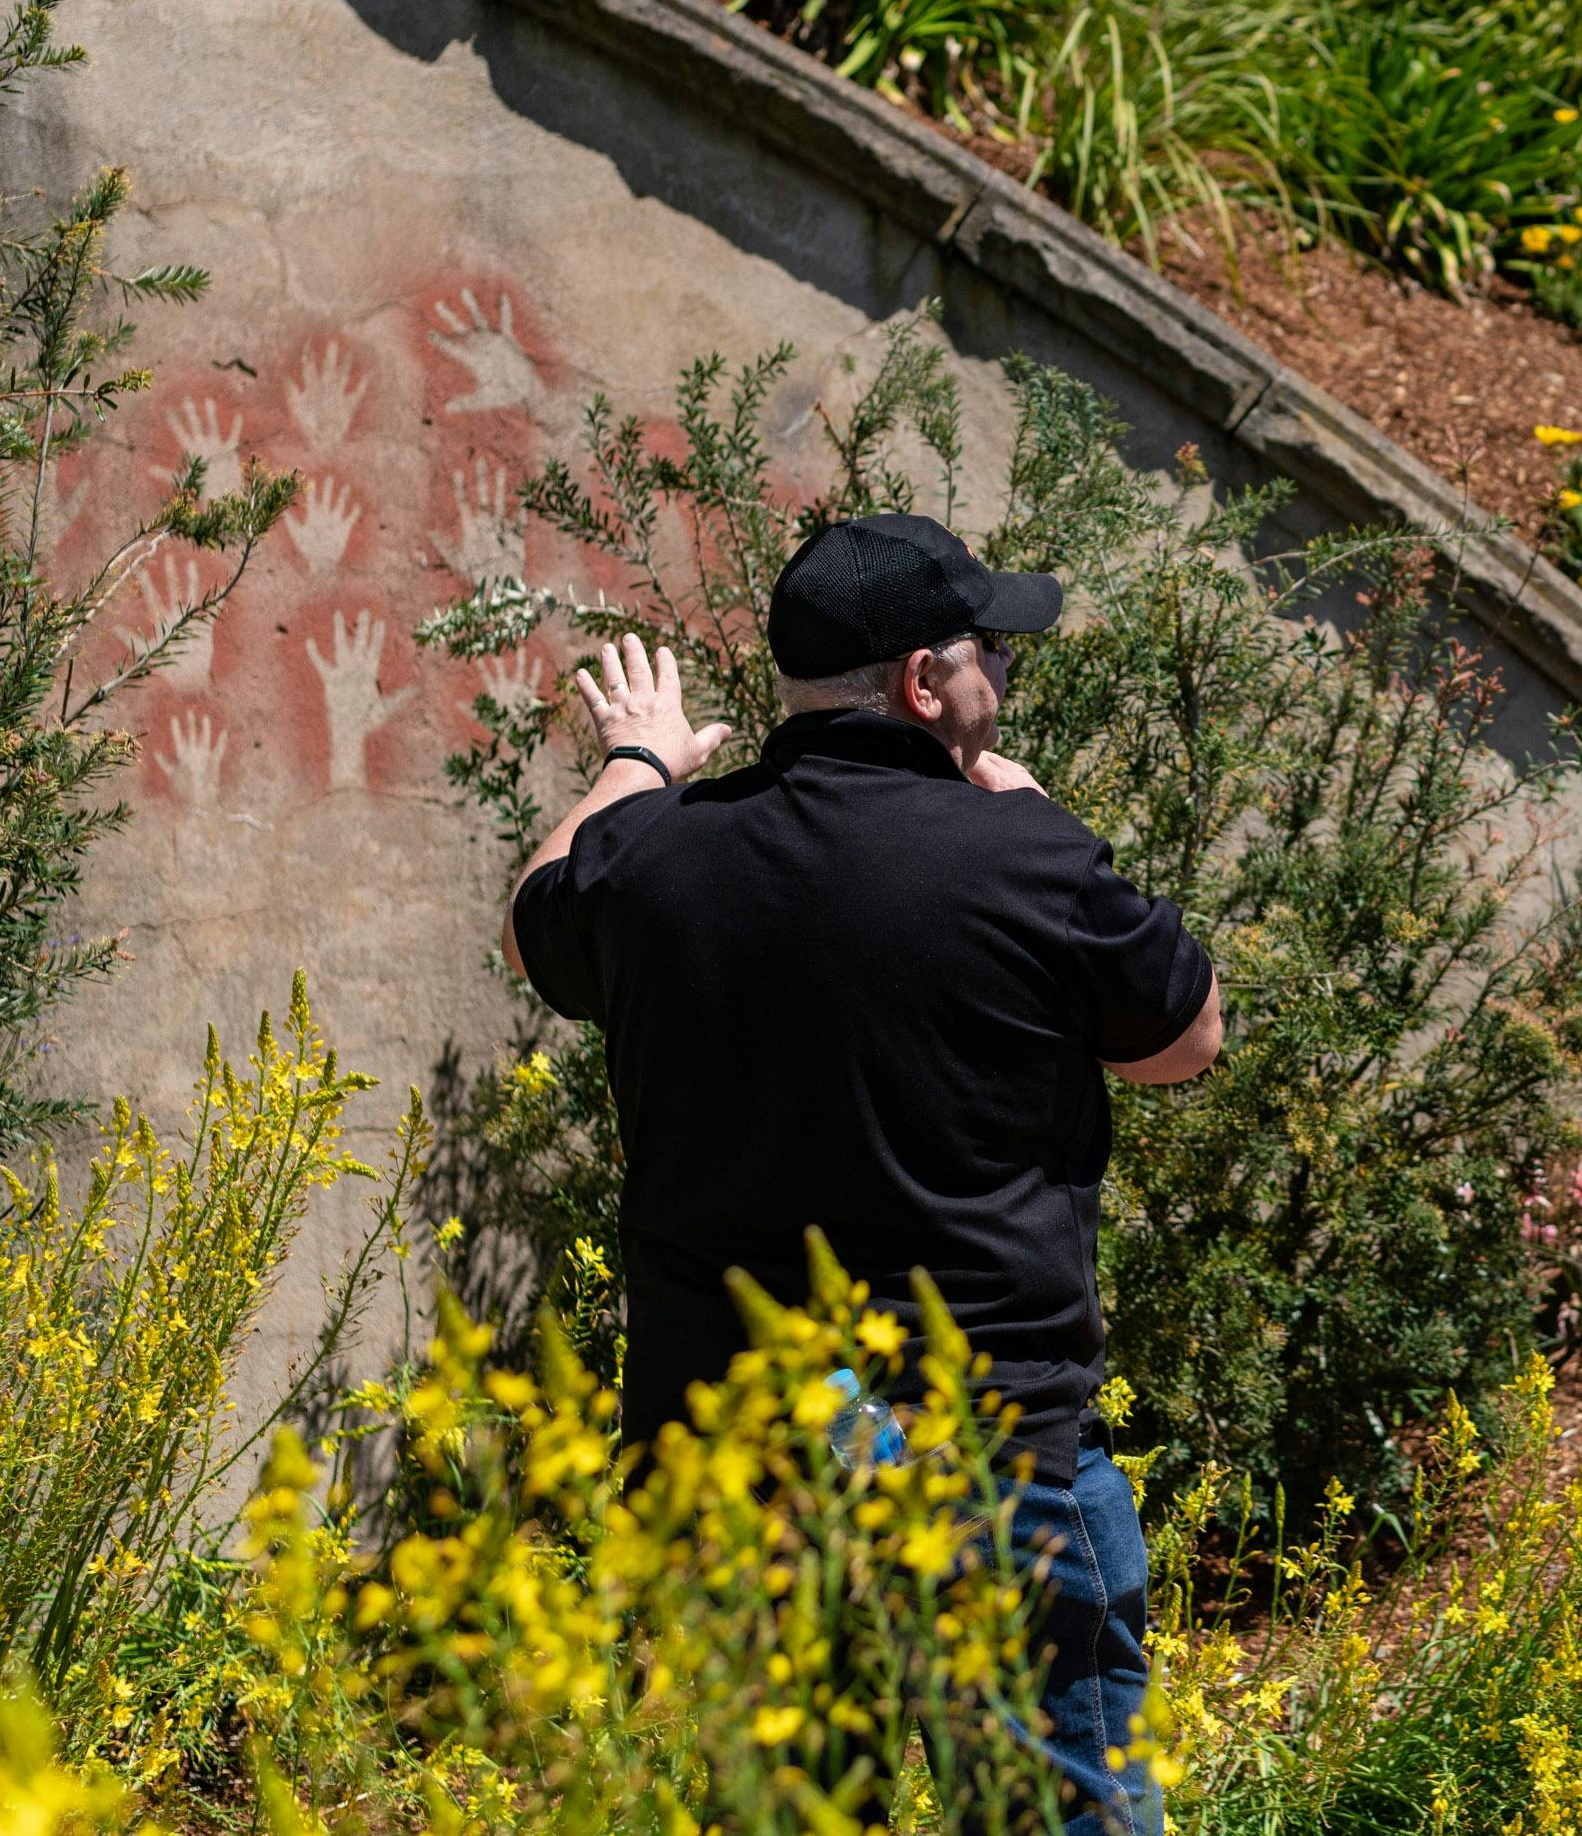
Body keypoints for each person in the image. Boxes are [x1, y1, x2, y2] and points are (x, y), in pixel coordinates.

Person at [505, 512, 1224, 1836]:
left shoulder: (658, 860)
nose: (1004, 676)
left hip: (734, 1454)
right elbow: (1186, 1040)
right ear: (924, 681)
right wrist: (1051, 829)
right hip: (990, 1442)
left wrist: (635, 763)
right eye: (993, 648)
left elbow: (536, 909)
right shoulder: (1026, 858)